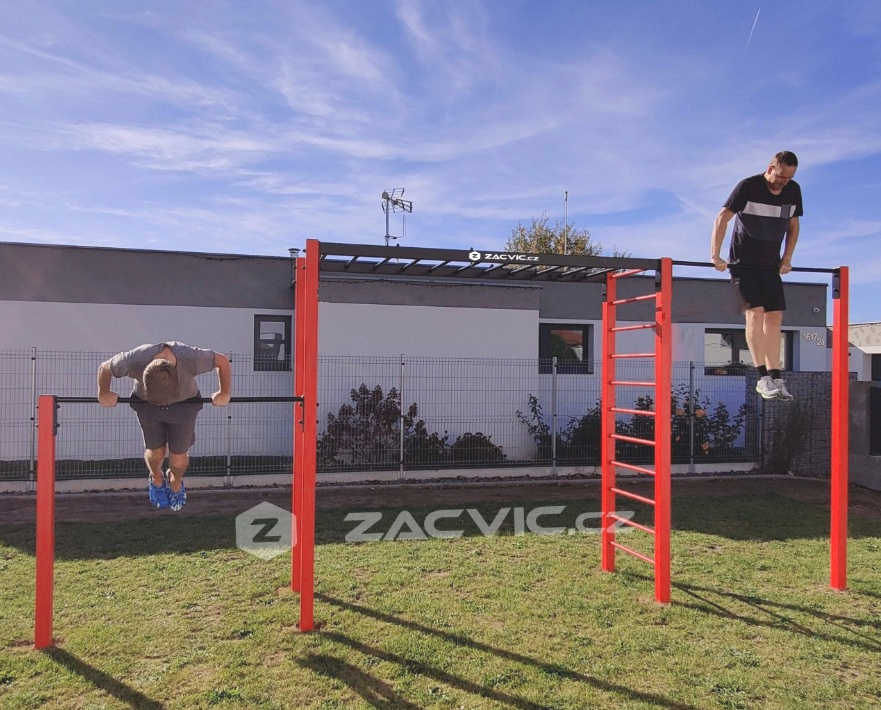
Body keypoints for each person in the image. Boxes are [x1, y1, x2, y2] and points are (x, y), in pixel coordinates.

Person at [710, 151, 803, 401]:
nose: (784, 182)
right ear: (770, 168)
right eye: (781, 176)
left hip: (770, 266)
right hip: (744, 265)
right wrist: (715, 255)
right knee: (755, 313)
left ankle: (776, 377)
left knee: (775, 317)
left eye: (789, 178)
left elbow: (793, 226)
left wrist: (787, 258)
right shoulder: (748, 186)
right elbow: (722, 218)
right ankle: (762, 378)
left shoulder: (793, 190)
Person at [97, 342, 232, 510]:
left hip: (184, 405)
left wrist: (224, 392)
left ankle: (175, 481)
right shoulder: (135, 359)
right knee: (156, 452)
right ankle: (156, 477)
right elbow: (105, 368)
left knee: (178, 457)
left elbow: (222, 361)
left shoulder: (190, 357)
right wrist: (103, 392)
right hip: (147, 406)